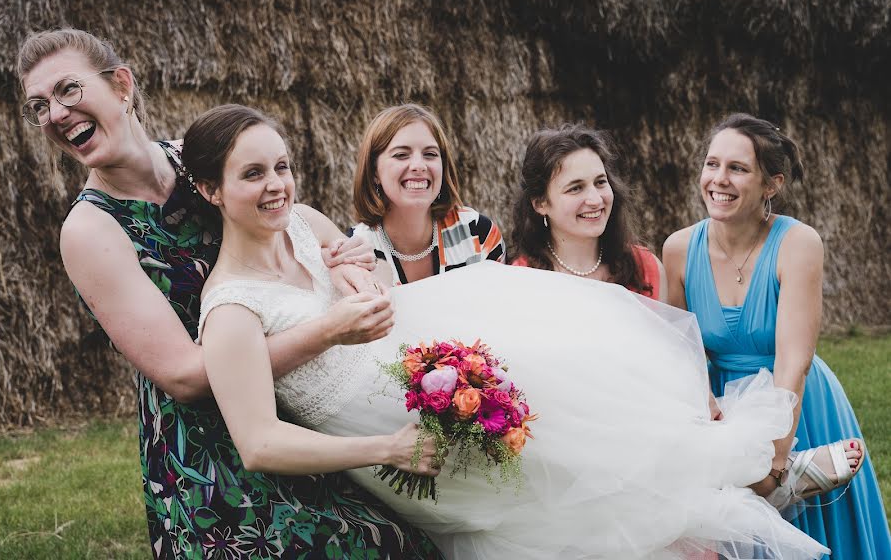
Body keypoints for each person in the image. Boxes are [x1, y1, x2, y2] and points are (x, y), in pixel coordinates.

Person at [189, 103, 831, 560]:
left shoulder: (302, 221)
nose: (276, 186)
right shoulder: (231, 311)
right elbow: (260, 443)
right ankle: (750, 485)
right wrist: (387, 449)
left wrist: (357, 272)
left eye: (280, 167)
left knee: (582, 405)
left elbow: (358, 260)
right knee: (555, 512)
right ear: (208, 190)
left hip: (433, 359)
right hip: (391, 435)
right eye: (252, 175)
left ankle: (741, 473)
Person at [17, 28, 444, 559]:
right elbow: (187, 377)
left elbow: (289, 228)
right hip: (211, 455)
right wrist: (328, 332)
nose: (55, 114)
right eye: (39, 106)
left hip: (294, 412)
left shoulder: (205, 159)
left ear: (121, 86)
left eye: (68, 91)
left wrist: (342, 256)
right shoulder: (90, 230)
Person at [663, 113, 891, 559]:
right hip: (721, 406)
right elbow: (678, 350)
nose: (718, 180)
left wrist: (775, 465)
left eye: (738, 168)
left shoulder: (798, 243)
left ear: (772, 184)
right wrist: (707, 412)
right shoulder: (677, 249)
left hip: (795, 405)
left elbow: (793, 361)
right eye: (712, 164)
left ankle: (800, 477)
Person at [349, 104, 505, 284]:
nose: (419, 165)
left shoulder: (478, 233)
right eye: (401, 155)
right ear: (374, 171)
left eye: (430, 154)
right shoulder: (358, 251)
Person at [508, 124, 665, 301]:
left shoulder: (645, 268)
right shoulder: (521, 282)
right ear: (540, 204)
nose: (596, 200)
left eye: (600, 182)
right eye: (575, 188)